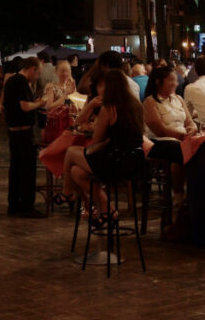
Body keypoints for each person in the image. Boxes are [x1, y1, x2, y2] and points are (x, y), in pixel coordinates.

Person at [59, 70, 145, 222]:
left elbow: (97, 139)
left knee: (71, 152)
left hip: (115, 160)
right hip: (134, 161)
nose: (99, 89)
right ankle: (107, 210)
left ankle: (67, 192)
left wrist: (98, 127)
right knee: (76, 172)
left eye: (101, 85)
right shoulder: (135, 105)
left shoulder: (109, 107)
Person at [142, 66, 195, 210]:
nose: (175, 84)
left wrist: (191, 131)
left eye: (176, 80)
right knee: (180, 149)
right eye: (171, 80)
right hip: (157, 143)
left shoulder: (178, 99)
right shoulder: (150, 102)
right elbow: (160, 130)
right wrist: (182, 135)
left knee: (200, 147)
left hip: (180, 140)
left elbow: (190, 123)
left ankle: (192, 194)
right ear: (158, 82)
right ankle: (178, 195)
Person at [3, 57, 48, 218]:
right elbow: (25, 106)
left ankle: (14, 205)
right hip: (22, 133)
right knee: (27, 170)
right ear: (32, 68)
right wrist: (40, 103)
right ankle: (26, 207)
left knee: (16, 169)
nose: (37, 77)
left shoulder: (13, 81)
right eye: (38, 73)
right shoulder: (20, 81)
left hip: (15, 131)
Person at [42, 60, 77, 143]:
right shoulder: (51, 87)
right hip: (57, 125)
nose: (64, 74)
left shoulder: (72, 87)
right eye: (62, 71)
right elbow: (48, 106)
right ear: (56, 72)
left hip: (70, 124)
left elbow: (75, 106)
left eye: (67, 71)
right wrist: (65, 95)